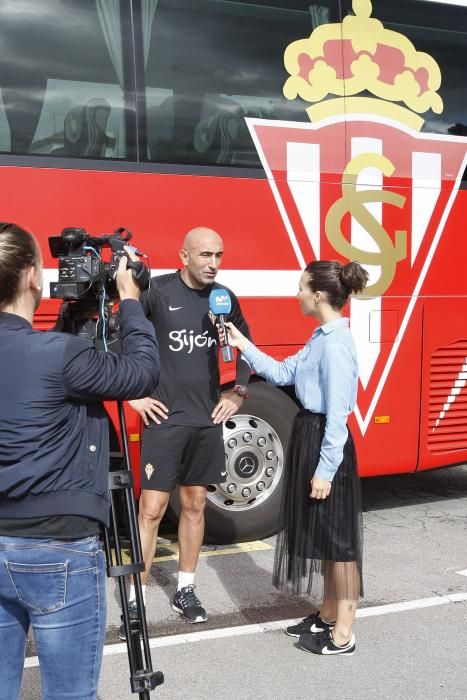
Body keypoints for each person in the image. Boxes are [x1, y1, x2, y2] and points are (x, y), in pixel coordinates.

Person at [0, 222, 159, 699]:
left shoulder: (52, 350)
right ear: (32, 276)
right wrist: (129, 300)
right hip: (59, 548)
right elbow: (142, 373)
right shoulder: (61, 354)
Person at [222, 259, 368, 656]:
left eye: (302, 287)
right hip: (311, 436)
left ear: (318, 294)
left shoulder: (336, 344)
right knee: (325, 539)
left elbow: (339, 415)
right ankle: (327, 613)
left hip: (325, 443)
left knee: (340, 543)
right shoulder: (320, 337)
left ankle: (344, 633)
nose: (298, 293)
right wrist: (243, 344)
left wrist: (324, 471)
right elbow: (284, 373)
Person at [122, 226, 251, 633]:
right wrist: (132, 396)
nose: (213, 264)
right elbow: (115, 338)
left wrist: (238, 393)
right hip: (164, 421)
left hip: (205, 421)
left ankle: (185, 589)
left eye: (219, 255)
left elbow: (246, 350)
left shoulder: (223, 299)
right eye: (205, 255)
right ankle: (135, 601)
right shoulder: (156, 292)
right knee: (152, 510)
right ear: (184, 256)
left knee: (195, 506)